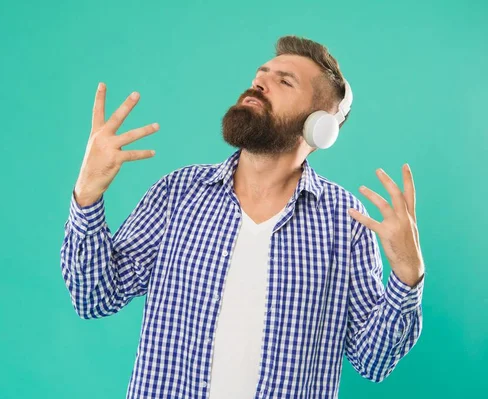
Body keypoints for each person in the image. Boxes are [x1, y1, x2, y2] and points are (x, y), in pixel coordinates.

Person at [60, 35, 425, 399]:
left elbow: (373, 361)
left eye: (284, 81)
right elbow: (94, 298)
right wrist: (88, 193)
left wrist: (408, 276)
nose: (259, 83)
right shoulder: (179, 193)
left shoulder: (345, 224)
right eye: (260, 75)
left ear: (321, 126)